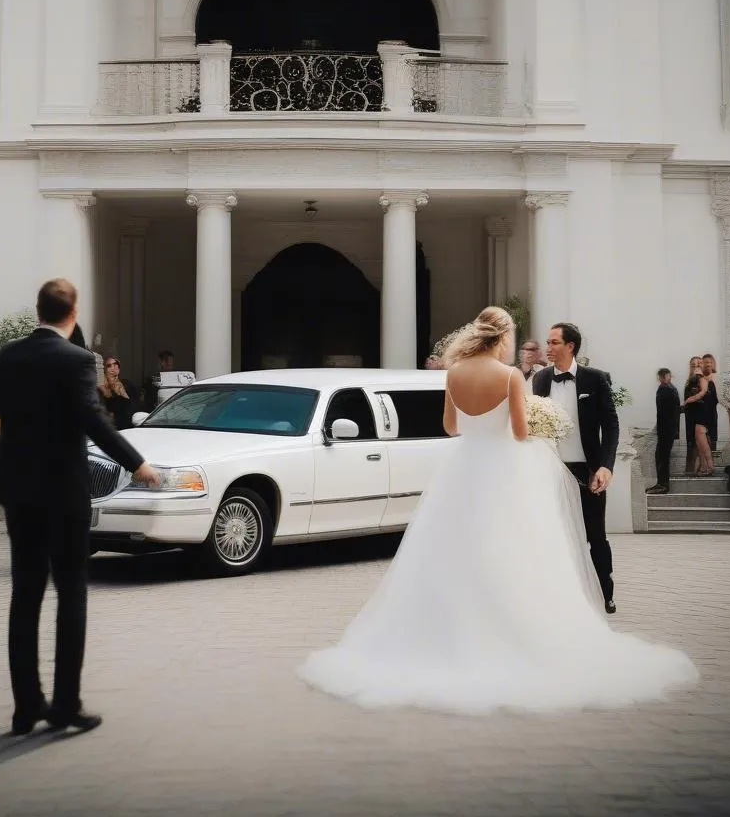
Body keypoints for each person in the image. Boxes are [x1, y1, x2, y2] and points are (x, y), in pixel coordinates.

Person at [298, 306, 698, 714]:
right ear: (503, 336)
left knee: (455, 549)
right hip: (503, 468)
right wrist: (530, 423)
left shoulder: (453, 374)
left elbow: (451, 427)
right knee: (516, 547)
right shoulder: (510, 376)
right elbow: (521, 432)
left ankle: (448, 631)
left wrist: (479, 424)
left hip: (463, 468)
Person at [0, 279, 161, 736]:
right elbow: (91, 418)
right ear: (74, 311)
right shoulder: (77, 360)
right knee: (71, 596)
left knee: (24, 597)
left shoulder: (8, 355)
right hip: (62, 491)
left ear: (37, 310)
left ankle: (26, 707)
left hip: (18, 487)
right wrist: (137, 462)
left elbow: (0, 410)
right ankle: (66, 704)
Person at [532, 322, 619, 613]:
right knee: (556, 534)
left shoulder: (596, 379)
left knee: (595, 535)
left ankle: (605, 592)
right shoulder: (541, 379)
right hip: (553, 469)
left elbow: (611, 426)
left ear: (571, 346)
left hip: (588, 471)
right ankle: (563, 598)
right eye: (548, 342)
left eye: (555, 342)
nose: (549, 347)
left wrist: (606, 466)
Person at [646, 369, 681, 495]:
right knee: (661, 456)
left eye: (665, 376)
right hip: (667, 428)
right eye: (662, 376)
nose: (664, 378)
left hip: (666, 428)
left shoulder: (666, 389)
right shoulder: (671, 389)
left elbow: (668, 412)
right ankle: (661, 484)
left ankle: (663, 485)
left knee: (662, 456)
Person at [682, 356, 712, 475]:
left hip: (701, 415)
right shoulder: (690, 380)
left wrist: (689, 399)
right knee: (698, 443)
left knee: (703, 443)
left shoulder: (703, 379)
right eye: (693, 365)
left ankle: (709, 466)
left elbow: (703, 393)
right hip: (692, 415)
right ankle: (703, 467)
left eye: (698, 364)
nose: (696, 367)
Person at [98, 356, 140, 430]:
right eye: (109, 366)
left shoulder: (127, 385)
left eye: (115, 364)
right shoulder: (102, 388)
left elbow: (132, 409)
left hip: (126, 428)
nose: (113, 368)